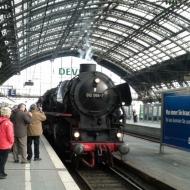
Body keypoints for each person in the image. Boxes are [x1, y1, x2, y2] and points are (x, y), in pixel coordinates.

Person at [0, 107, 14, 179]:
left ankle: (2, 172)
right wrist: (12, 142)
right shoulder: (8, 123)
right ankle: (0, 173)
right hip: (5, 145)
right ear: (7, 114)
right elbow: (10, 135)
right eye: (10, 112)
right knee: (3, 160)